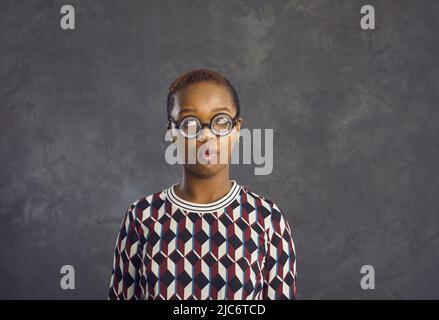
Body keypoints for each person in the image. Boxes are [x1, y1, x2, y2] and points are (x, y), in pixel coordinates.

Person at [108, 69, 297, 300]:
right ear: (172, 133)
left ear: (237, 128)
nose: (206, 135)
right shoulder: (143, 217)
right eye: (189, 123)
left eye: (221, 121)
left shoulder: (267, 220)